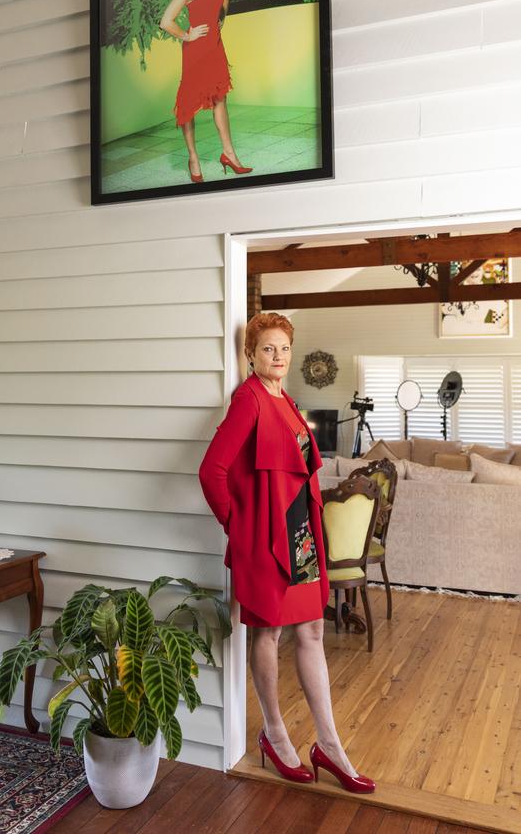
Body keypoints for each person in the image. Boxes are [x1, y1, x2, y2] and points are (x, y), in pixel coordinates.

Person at [199, 312, 376, 793]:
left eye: (284, 349)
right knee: (268, 633)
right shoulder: (248, 400)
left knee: (313, 630)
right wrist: (239, 529)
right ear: (250, 355)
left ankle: (329, 746)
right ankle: (275, 734)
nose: (277, 357)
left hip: (300, 534)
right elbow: (211, 470)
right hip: (266, 540)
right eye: (267, 349)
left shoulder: (289, 402)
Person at [159, 0, 253, 184]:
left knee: (220, 99)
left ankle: (229, 154)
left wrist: (221, 18)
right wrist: (187, 36)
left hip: (215, 47)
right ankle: (193, 158)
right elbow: (166, 21)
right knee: (189, 105)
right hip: (196, 51)